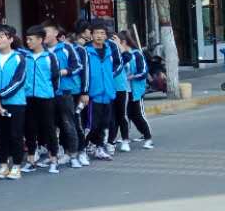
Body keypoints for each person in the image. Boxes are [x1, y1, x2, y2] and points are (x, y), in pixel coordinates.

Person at [0, 26, 27, 179]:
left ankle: (16, 166)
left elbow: (18, 81)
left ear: (10, 39)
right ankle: (3, 165)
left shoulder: (19, 57)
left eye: (2, 36)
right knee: (0, 134)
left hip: (15, 102)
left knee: (15, 134)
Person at [45, 23, 87, 167]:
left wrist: (65, 71)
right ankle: (58, 153)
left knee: (69, 123)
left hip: (65, 92)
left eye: (47, 32)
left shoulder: (66, 47)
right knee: (52, 125)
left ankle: (75, 154)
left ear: (56, 33)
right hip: (47, 94)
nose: (44, 35)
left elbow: (78, 66)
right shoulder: (42, 51)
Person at [21, 26, 60, 174]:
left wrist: (48, 90)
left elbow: (55, 78)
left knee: (49, 128)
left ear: (40, 40)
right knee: (30, 128)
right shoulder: (25, 57)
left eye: (31, 39)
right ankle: (31, 160)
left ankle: (53, 159)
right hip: (28, 97)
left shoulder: (50, 56)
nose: (28, 42)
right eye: (27, 39)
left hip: (46, 97)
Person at [83, 22, 119, 159]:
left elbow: (119, 64)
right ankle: (83, 149)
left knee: (104, 123)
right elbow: (83, 72)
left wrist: (109, 76)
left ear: (106, 36)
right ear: (91, 35)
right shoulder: (85, 51)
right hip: (93, 93)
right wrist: (85, 91)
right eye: (96, 33)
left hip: (108, 92)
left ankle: (99, 148)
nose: (99, 36)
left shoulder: (111, 49)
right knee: (92, 125)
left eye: (102, 33)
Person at [120, 34, 154, 149]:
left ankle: (148, 137)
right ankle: (125, 137)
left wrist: (132, 77)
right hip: (124, 90)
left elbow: (143, 72)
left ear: (123, 42)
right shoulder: (120, 55)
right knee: (127, 115)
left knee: (138, 115)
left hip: (136, 90)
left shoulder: (137, 54)